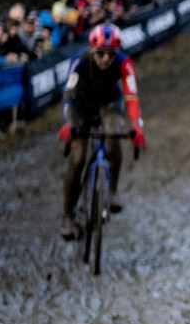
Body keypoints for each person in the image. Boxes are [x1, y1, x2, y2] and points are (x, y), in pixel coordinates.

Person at [59, 23, 147, 238]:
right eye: (101, 53)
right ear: (92, 50)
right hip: (80, 106)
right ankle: (68, 217)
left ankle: (113, 191)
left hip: (109, 103)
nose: (106, 59)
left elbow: (131, 96)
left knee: (114, 134)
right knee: (78, 158)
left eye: (111, 54)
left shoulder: (124, 63)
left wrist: (136, 125)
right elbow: (68, 94)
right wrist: (68, 122)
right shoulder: (80, 61)